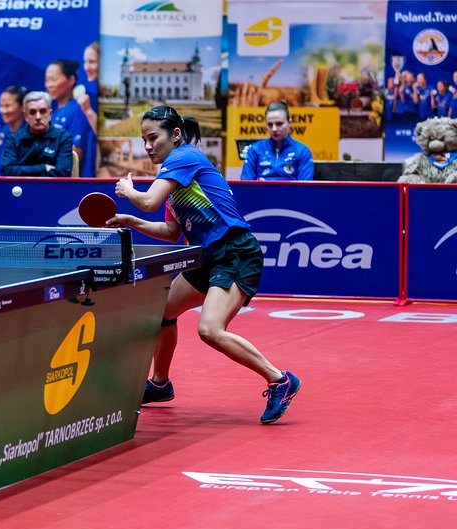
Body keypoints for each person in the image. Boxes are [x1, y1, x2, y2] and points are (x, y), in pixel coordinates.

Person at [106, 105, 301, 424]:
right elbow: (171, 231)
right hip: (205, 256)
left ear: (176, 135)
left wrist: (129, 192)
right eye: (144, 140)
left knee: (210, 329)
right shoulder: (172, 178)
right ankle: (160, 384)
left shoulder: (183, 157)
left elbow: (149, 201)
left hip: (234, 252)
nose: (148, 146)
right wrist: (131, 221)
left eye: (153, 138)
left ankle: (280, 380)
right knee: (162, 313)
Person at [0, 91, 73, 177]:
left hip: (51, 185)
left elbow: (63, 172)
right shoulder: (13, 139)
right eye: (32, 112)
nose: (38, 117)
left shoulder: (63, 137)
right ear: (25, 115)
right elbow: (7, 171)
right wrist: (44, 168)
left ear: (50, 114)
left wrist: (26, 175)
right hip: (21, 185)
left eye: (43, 111)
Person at [240, 100, 314, 181]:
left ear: (289, 123)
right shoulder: (254, 150)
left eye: (279, 124)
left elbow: (305, 187)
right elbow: (245, 184)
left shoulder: (302, 151)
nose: (274, 129)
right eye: (270, 125)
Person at [45, 59, 96, 177]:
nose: (49, 85)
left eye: (54, 79)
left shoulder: (76, 110)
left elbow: (75, 155)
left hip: (67, 181)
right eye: (47, 80)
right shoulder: (56, 112)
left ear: (71, 80)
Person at [0, 85, 26, 176]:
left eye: (8, 106)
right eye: (1, 106)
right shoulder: (2, 131)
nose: (3, 111)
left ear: (22, 107)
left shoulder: (32, 133)